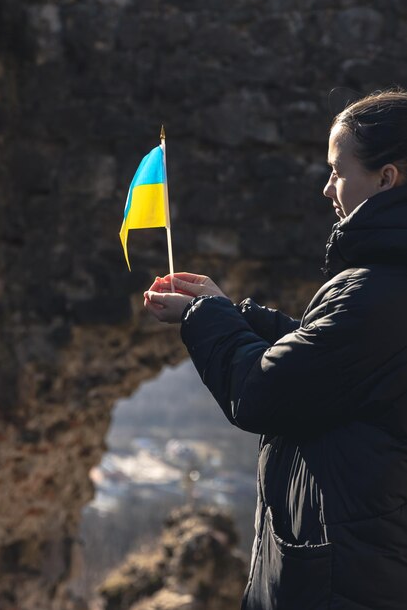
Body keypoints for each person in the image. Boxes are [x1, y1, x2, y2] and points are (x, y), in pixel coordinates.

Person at [144, 89, 407, 610]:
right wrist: (232, 311)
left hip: (345, 578)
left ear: (386, 178)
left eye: (337, 170)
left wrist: (201, 318)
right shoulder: (381, 285)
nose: (326, 186)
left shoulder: (376, 289)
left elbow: (264, 390)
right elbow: (329, 362)